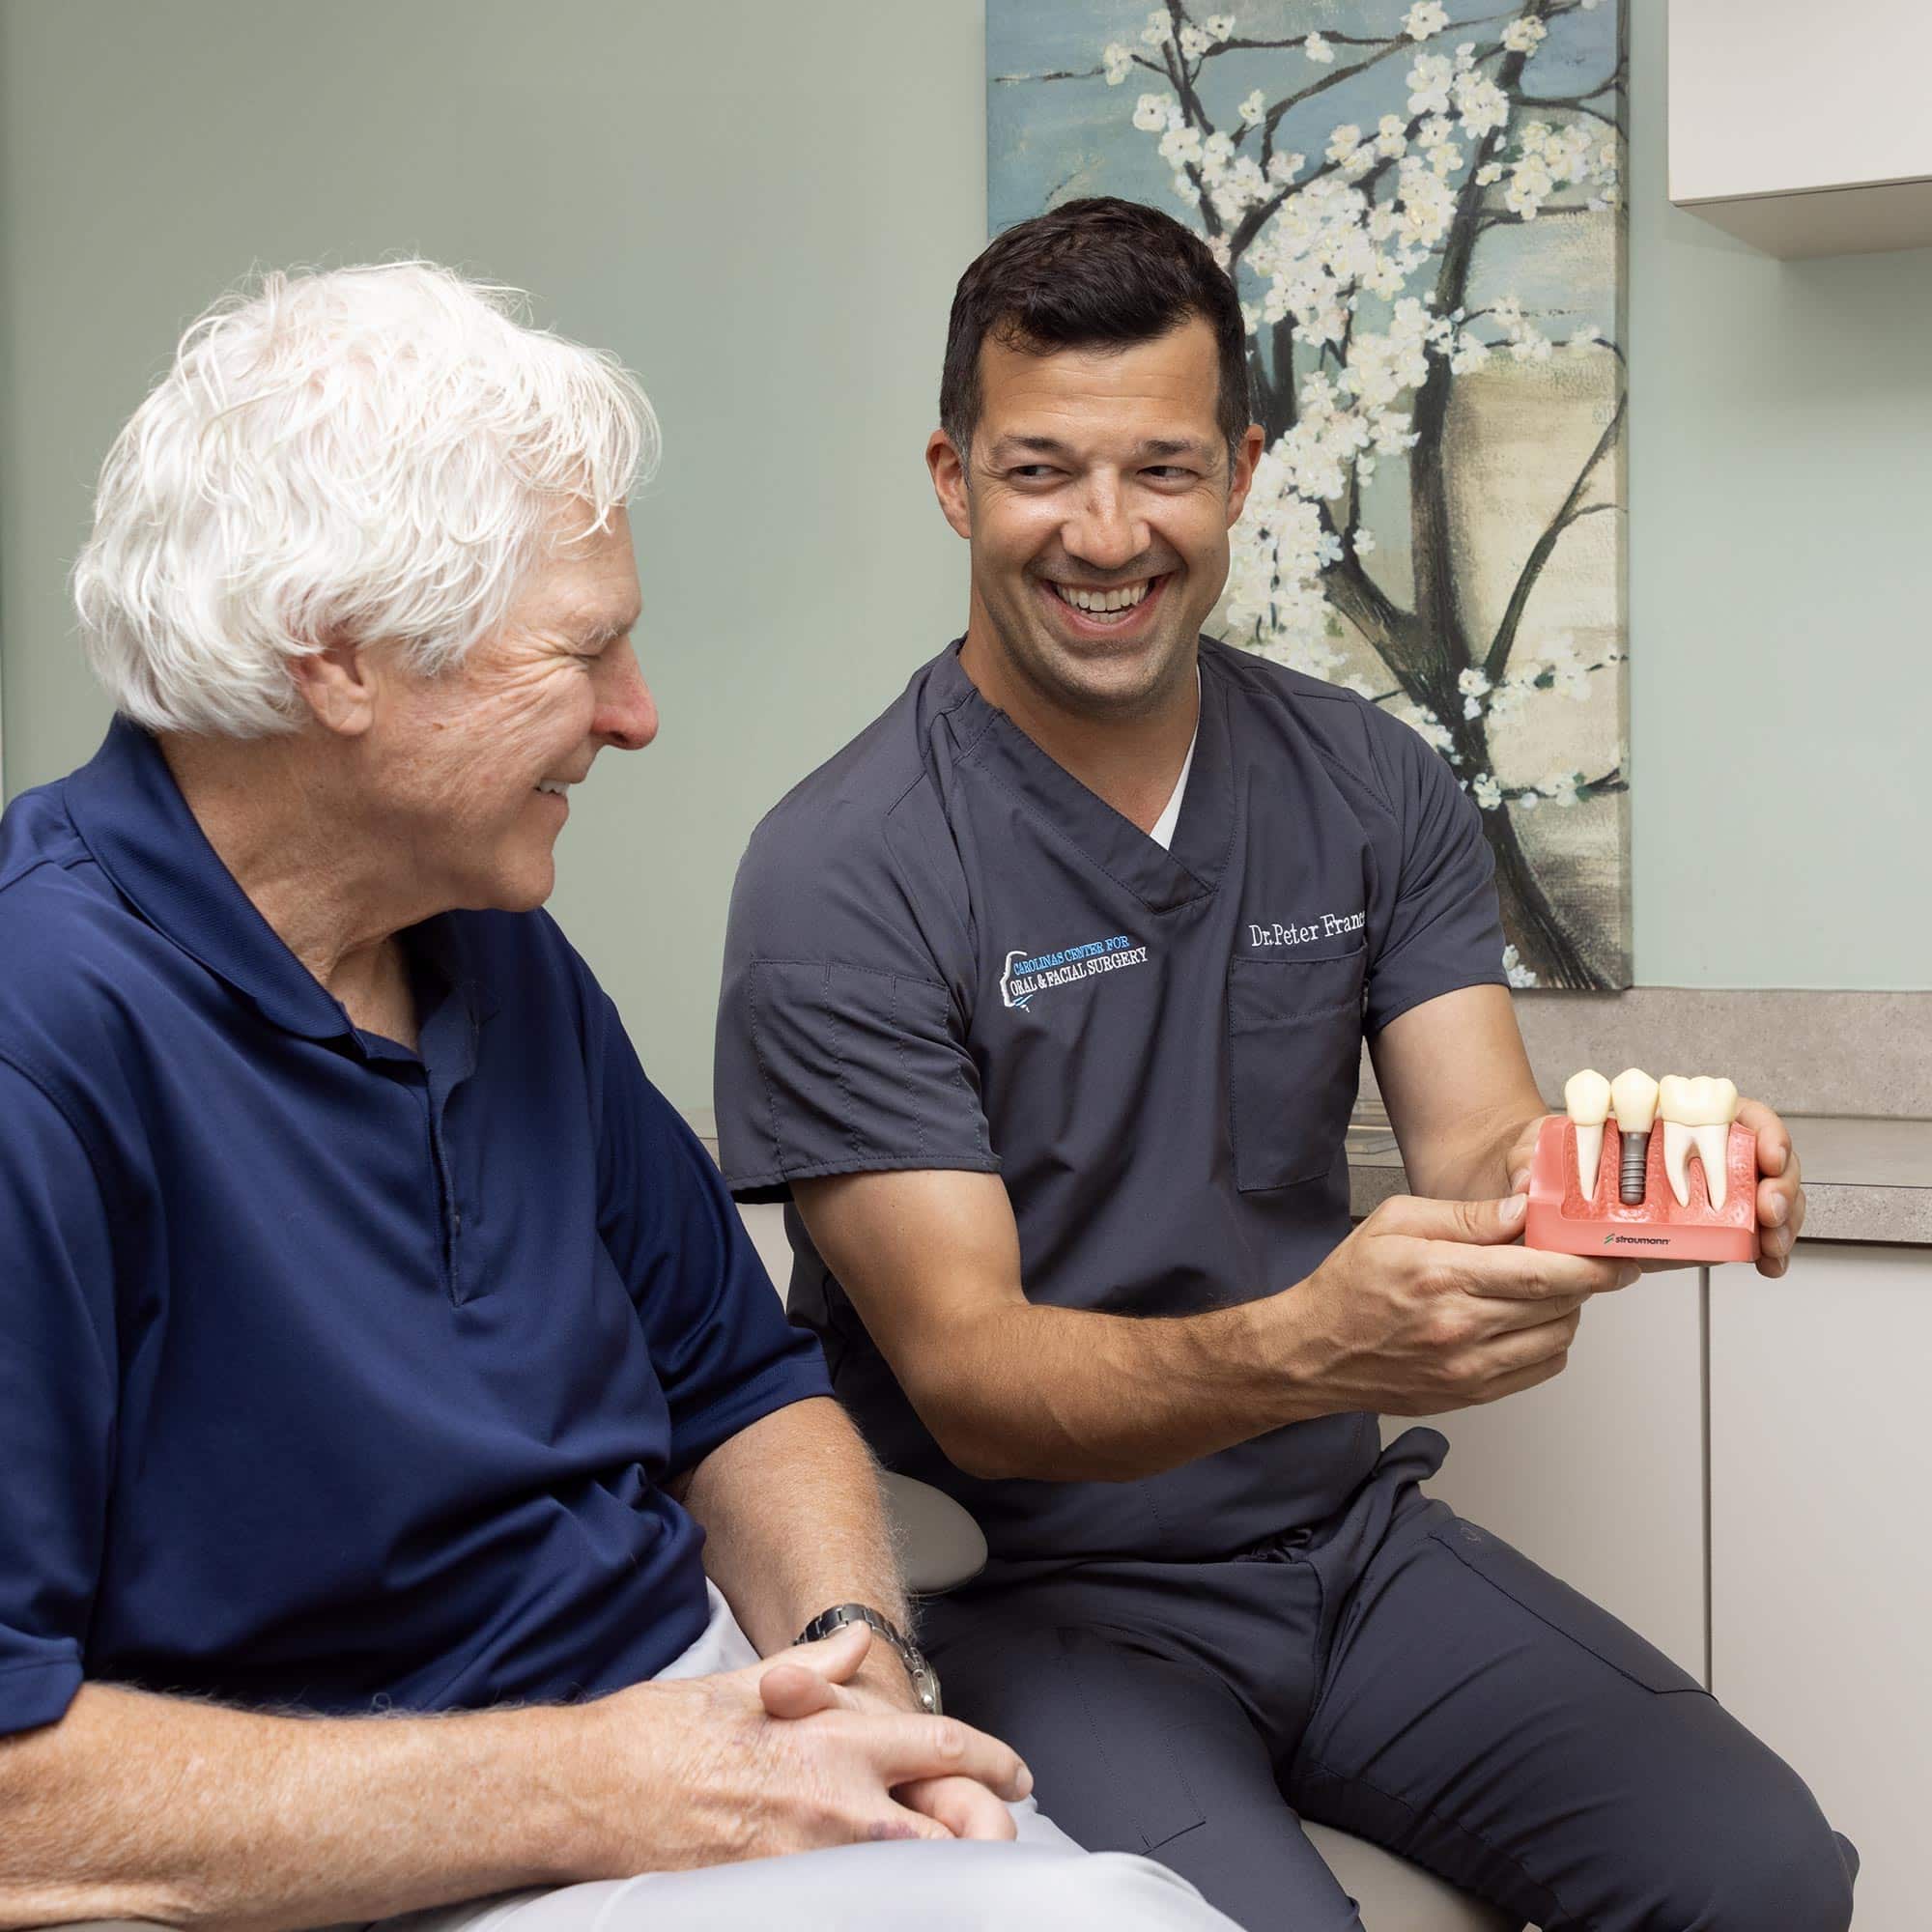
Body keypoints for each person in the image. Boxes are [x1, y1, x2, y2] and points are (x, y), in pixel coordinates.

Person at [0, 262, 1236, 1932]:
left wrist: (847, 1656)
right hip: (388, 1852)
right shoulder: (43, 1036)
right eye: (582, 652)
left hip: (701, 1738)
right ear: (341, 662)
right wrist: (619, 1779)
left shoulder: (484, 941)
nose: (637, 715)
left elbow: (738, 1383)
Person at [713, 198, 1855, 1932]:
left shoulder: (1369, 783)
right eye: (1042, 473)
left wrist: (1644, 1190)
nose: (1106, 534)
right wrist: (1316, 1340)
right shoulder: (844, 871)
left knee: (1766, 1875)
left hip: (1345, 1545)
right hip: (1034, 1590)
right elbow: (972, 1375)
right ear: (953, 479)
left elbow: (1478, 1151)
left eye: (1163, 469)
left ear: (1244, 470)